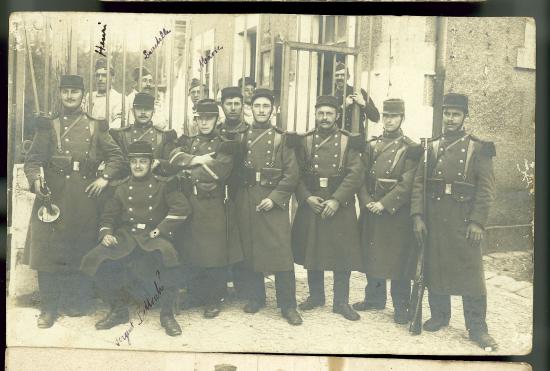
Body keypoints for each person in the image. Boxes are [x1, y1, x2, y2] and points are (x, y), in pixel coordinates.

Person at [23, 74, 125, 328]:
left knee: (80, 247)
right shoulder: (49, 126)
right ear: (60, 93)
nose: (69, 96)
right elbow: (33, 160)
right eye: (65, 91)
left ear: (83, 95)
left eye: (74, 92)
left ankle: (76, 300)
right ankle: (48, 308)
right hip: (54, 196)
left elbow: (117, 157)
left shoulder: (95, 125)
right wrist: (36, 181)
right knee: (47, 251)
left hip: (84, 198)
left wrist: (104, 178)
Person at [410, 93, 498, 350]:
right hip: (435, 217)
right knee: (435, 266)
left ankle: (477, 328)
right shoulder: (431, 146)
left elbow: (486, 189)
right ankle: (440, 315)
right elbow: (418, 184)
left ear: (464, 117)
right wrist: (417, 216)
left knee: (471, 274)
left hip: (464, 219)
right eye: (447, 113)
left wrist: (477, 222)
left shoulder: (478, 148)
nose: (450, 119)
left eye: (456, 114)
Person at [80, 140, 191, 336]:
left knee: (169, 255)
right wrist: (106, 234)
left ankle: (167, 315)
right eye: (134, 162)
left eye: (143, 161)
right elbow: (109, 217)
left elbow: (182, 208)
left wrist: (160, 229)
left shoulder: (163, 185)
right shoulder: (121, 187)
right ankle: (118, 310)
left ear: (151, 163)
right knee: (94, 258)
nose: (138, 166)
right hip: (126, 237)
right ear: (129, 164)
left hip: (152, 235)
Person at [292, 95, 364, 321]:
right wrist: (306, 198)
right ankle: (316, 296)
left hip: (338, 203)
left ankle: (341, 301)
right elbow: (295, 173)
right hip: (313, 200)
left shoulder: (348, 141)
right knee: (312, 248)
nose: (324, 118)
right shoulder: (304, 141)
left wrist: (336, 199)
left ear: (337, 116)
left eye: (329, 114)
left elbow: (355, 173)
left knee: (341, 252)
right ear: (315, 114)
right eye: (320, 113)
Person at [234, 87, 303, 326]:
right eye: (257, 106)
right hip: (247, 197)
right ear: (250, 109)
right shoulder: (241, 136)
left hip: (274, 199)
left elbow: (292, 174)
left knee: (280, 251)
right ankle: (256, 298)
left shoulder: (282, 138)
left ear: (273, 110)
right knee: (252, 247)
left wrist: (274, 198)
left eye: (266, 106)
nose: (261, 111)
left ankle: (288, 305)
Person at [169, 99, 243, 318]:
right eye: (200, 118)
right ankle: (195, 294)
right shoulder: (188, 142)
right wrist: (198, 159)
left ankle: (214, 298)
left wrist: (188, 169)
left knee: (214, 254)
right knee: (191, 249)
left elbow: (219, 171)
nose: (203, 122)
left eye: (208, 118)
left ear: (216, 120)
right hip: (191, 202)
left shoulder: (225, 144)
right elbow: (173, 158)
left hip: (213, 203)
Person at [353, 98, 421, 324]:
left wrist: (385, 203)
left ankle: (401, 306)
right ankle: (374, 298)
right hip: (371, 206)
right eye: (386, 115)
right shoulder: (372, 145)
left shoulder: (411, 148)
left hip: (394, 211)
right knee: (373, 254)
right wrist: (366, 201)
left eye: (394, 116)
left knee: (397, 259)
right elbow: (360, 177)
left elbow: (408, 182)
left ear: (402, 118)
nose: (389, 120)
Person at [110, 92, 177, 178]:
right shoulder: (121, 135)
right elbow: (116, 163)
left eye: (147, 109)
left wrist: (158, 162)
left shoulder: (164, 136)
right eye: (139, 108)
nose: (143, 112)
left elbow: (170, 165)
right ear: (132, 110)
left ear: (153, 111)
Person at [333, 62, 380, 134]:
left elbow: (376, 117)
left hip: (358, 138)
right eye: (337, 75)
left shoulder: (359, 92)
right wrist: (343, 107)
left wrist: (363, 103)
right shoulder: (331, 97)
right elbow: (330, 121)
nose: (339, 77)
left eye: (343, 75)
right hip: (338, 138)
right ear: (333, 77)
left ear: (348, 77)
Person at [82, 58, 123, 128]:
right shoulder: (90, 96)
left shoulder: (119, 98)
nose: (100, 79)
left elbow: (118, 123)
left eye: (104, 75)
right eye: (98, 75)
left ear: (112, 79)